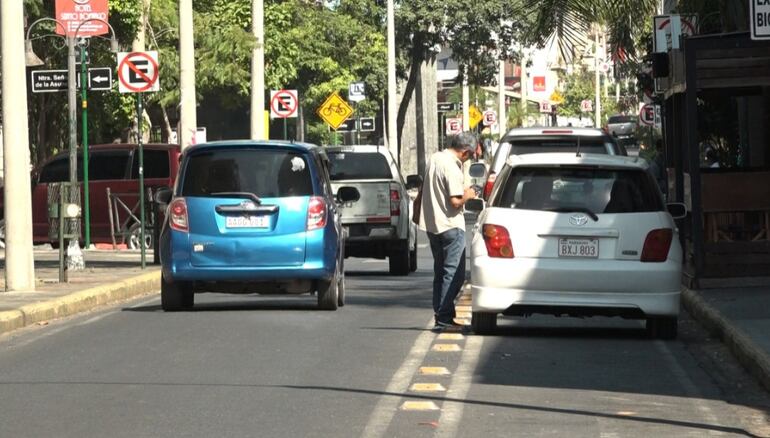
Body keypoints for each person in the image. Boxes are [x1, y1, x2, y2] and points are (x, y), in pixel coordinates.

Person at [418, 132, 477, 332]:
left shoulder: (435, 158)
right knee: (454, 275)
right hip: (450, 224)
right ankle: (443, 316)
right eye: (470, 155)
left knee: (441, 272)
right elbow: (455, 201)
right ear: (466, 152)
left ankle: (442, 314)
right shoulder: (452, 167)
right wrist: (468, 195)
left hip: (433, 224)